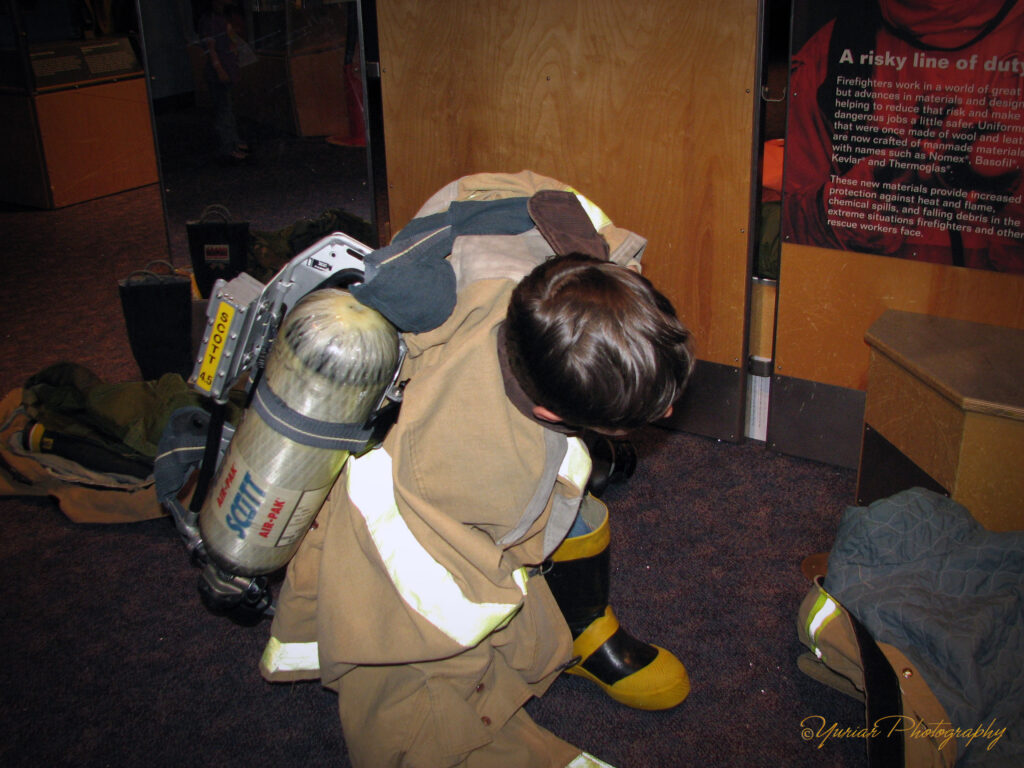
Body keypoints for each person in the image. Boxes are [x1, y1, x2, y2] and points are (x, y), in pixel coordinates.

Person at [259, 173, 695, 767]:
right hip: (406, 571)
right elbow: (437, 602)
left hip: (473, 405)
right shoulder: (476, 465)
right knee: (423, 706)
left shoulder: (550, 263)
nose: (668, 415)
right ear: (550, 414)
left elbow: (489, 190)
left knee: (571, 497)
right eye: (642, 418)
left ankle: (581, 625)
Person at [784, 0, 1024, 273]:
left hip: (990, 296)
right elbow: (782, 232)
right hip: (868, 292)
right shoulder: (840, 44)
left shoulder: (836, 46)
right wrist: (844, 210)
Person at [196, 0, 248, 163]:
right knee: (223, 110)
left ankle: (233, 141)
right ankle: (228, 147)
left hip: (226, 66)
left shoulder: (222, 17)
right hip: (219, 70)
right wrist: (219, 70)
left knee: (227, 108)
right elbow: (211, 49)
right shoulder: (209, 20)